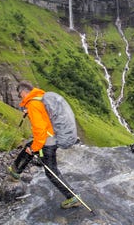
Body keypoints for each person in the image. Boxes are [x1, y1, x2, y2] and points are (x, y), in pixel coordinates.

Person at [8, 81, 80, 209]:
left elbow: (40, 131)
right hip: (52, 136)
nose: (21, 98)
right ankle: (15, 171)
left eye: (20, 96)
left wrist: (34, 148)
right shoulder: (40, 98)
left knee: (51, 171)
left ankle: (73, 197)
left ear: (23, 92)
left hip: (48, 142)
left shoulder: (33, 104)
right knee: (28, 147)